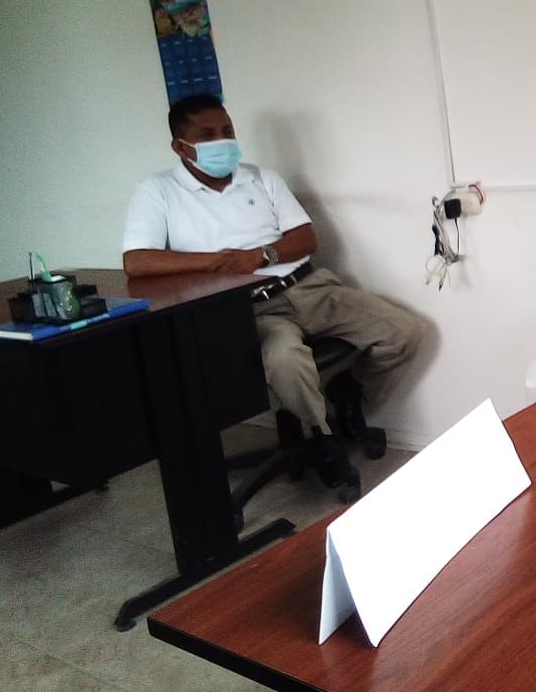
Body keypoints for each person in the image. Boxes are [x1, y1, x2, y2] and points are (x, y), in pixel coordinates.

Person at [122, 93, 426, 482]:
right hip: (247, 309)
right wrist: (215, 261)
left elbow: (305, 238)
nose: (222, 141)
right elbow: (137, 262)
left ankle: (350, 392)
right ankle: (323, 438)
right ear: (180, 147)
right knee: (285, 359)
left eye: (227, 130)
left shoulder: (261, 177)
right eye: (208, 135)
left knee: (405, 332)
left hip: (309, 288)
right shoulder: (157, 190)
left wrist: (262, 255)